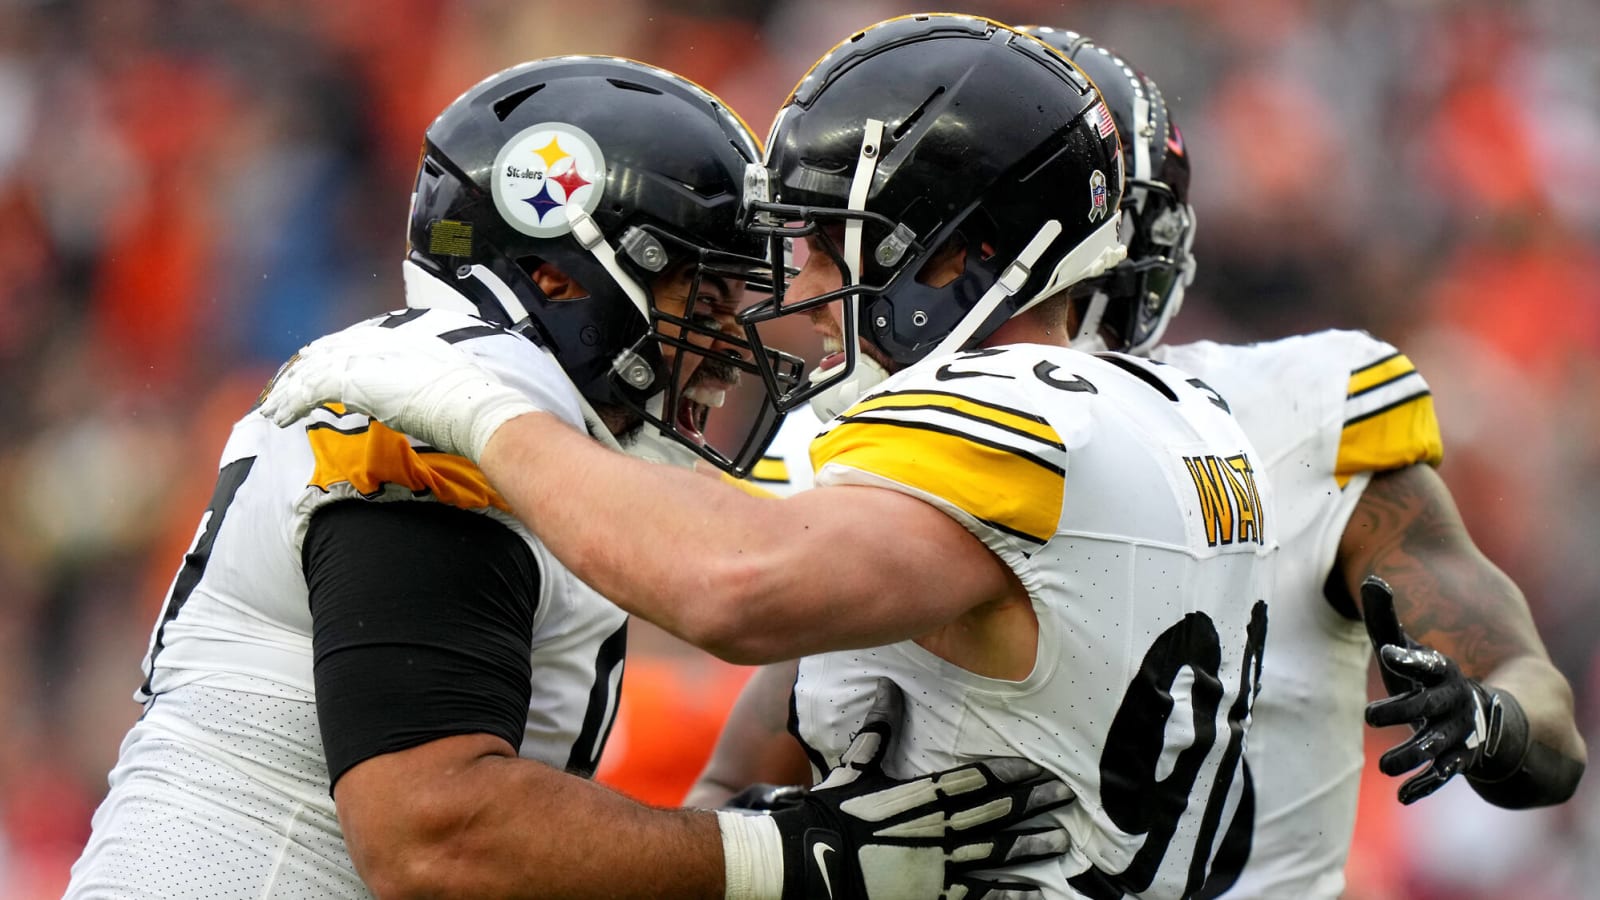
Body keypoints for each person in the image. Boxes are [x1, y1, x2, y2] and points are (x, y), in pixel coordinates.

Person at [261, 15, 1281, 899]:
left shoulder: (1011, 409)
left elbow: (734, 584)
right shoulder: (1180, 412)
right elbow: (742, 789)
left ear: (961, 257)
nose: (804, 284)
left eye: (839, 244)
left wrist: (478, 410)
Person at [65, 56, 1075, 900]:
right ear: (560, 272)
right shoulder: (434, 407)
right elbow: (432, 836)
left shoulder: (542, 425)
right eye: (706, 293)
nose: (730, 343)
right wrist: (781, 857)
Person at [703, 27, 1589, 900]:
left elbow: (1537, 711)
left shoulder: (1302, 413)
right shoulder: (875, 439)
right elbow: (736, 782)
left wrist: (1492, 726)